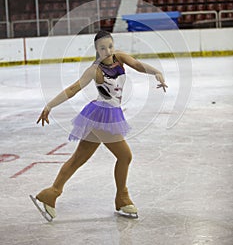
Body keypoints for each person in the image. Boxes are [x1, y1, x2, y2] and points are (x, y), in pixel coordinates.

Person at [33, 30, 167, 220]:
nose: (107, 50)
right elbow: (73, 89)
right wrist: (49, 105)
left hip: (105, 115)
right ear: (96, 50)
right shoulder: (95, 70)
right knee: (125, 156)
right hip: (102, 116)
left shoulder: (119, 57)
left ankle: (51, 194)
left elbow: (137, 65)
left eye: (110, 46)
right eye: (102, 48)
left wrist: (156, 72)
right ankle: (122, 198)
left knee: (79, 158)